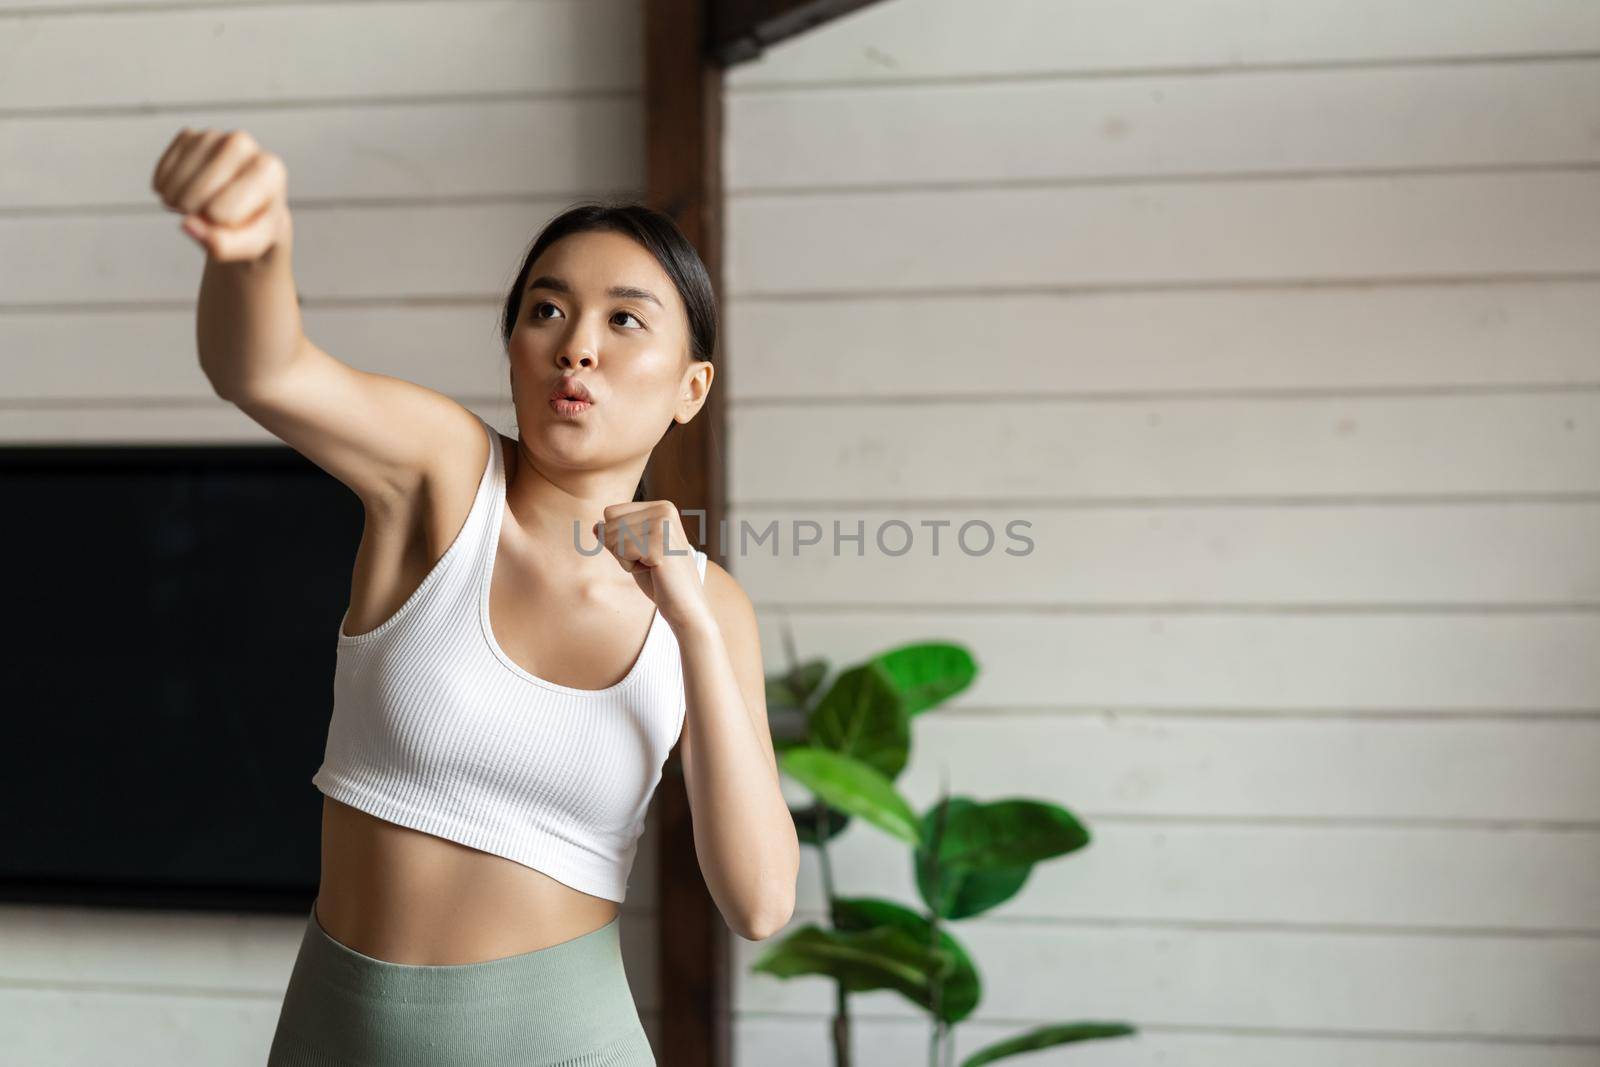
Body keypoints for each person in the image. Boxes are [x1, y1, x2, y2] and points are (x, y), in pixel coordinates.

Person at [150, 127, 800, 1065]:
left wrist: (690, 618)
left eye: (625, 319)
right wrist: (255, 248)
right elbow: (264, 370)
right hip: (334, 1032)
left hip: (562, 1042)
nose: (576, 346)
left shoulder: (713, 610)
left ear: (690, 387)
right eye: (546, 310)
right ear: (513, 351)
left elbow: (760, 901)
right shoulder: (441, 477)